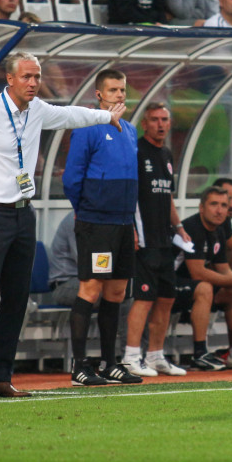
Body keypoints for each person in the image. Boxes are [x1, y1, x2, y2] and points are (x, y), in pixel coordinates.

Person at [0, 51, 126, 399]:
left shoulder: (37, 109)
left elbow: (70, 115)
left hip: (23, 213)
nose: (33, 83)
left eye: (37, 76)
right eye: (26, 77)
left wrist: (106, 117)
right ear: (10, 79)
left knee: (17, 299)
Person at [62, 69, 143, 386]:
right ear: (99, 95)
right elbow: (72, 177)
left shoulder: (130, 130)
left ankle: (110, 363)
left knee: (117, 292)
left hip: (123, 223)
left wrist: (132, 223)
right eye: (113, 90)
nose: (119, 95)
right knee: (91, 289)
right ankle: (79, 366)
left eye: (122, 89)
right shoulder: (87, 128)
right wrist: (84, 211)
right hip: (96, 223)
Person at [121, 103, 190, 377]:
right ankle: (130, 356)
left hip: (165, 240)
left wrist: (179, 227)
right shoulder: (136, 152)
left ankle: (155, 355)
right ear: (145, 124)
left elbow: (167, 195)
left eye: (164, 119)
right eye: (154, 120)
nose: (160, 124)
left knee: (167, 298)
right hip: (144, 240)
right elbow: (129, 192)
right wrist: (131, 228)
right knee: (144, 298)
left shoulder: (167, 154)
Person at [178, 186, 232, 371]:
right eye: (214, 204)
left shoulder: (219, 229)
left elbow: (223, 268)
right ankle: (199, 354)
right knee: (205, 287)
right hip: (170, 284)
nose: (219, 210)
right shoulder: (192, 227)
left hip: (194, 286)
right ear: (202, 208)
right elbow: (197, 272)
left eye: (224, 205)